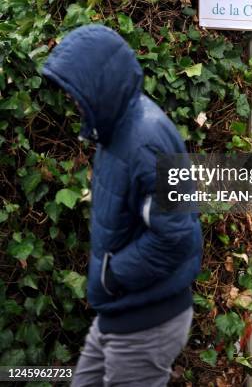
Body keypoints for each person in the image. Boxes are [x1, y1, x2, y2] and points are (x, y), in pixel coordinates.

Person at [42, 24, 202, 387]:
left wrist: (111, 275)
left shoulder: (145, 140)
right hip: (121, 312)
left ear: (100, 84)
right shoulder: (115, 127)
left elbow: (176, 235)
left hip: (145, 322)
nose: (72, 101)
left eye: (75, 91)